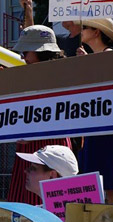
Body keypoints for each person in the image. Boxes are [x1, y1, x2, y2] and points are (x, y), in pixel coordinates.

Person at [7, 25, 72, 205]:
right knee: (24, 201)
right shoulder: (22, 78)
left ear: (41, 53)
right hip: (27, 148)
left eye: (26, 52)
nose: (22, 57)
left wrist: (36, 133)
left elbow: (67, 116)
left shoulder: (61, 79)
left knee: (55, 199)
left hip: (52, 146)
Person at [75, 18, 113, 205]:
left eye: (85, 28)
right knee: (96, 184)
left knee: (111, 185)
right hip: (95, 127)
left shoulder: (110, 56)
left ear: (97, 32)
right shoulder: (98, 57)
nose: (81, 31)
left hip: (107, 129)